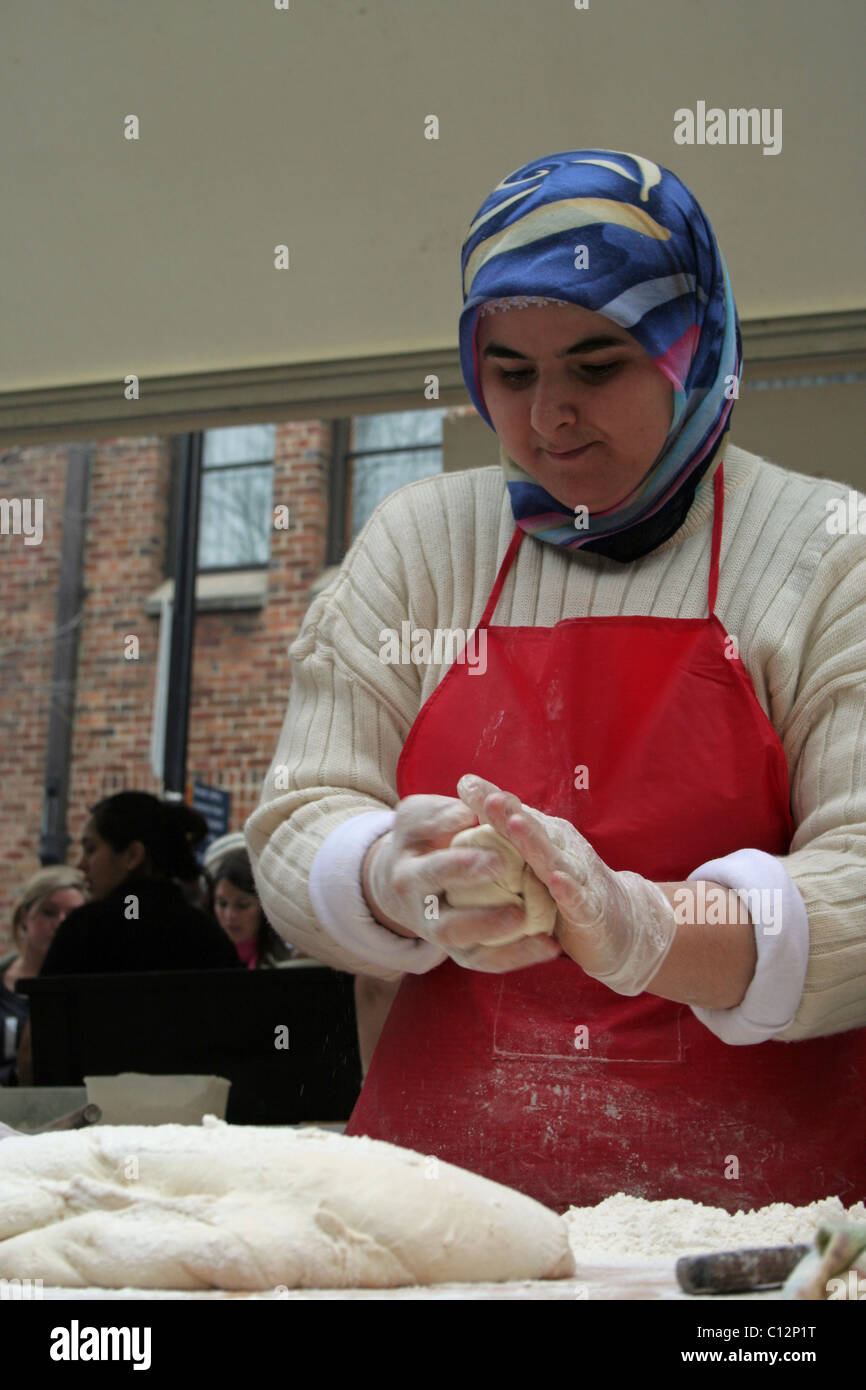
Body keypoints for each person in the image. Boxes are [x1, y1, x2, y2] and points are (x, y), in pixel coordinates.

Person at [245, 148, 866, 1213]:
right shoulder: (418, 545)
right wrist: (387, 876)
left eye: (596, 363)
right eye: (512, 372)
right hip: (438, 1209)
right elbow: (298, 816)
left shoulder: (825, 550)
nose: (547, 420)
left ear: (688, 346)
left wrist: (644, 926)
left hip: (754, 1227)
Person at [40, 792, 242, 976]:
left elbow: (45, 1013)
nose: (81, 865)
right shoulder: (206, 934)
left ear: (132, 855)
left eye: (91, 849)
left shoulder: (84, 930)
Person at [0, 866, 86, 1085]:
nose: (60, 922)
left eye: (73, 915)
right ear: (24, 916)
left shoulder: (86, 988)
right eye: (49, 912)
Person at [211, 848, 298, 968]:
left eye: (242, 905)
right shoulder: (202, 952)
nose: (229, 915)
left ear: (264, 906)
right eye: (222, 904)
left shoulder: (287, 963)